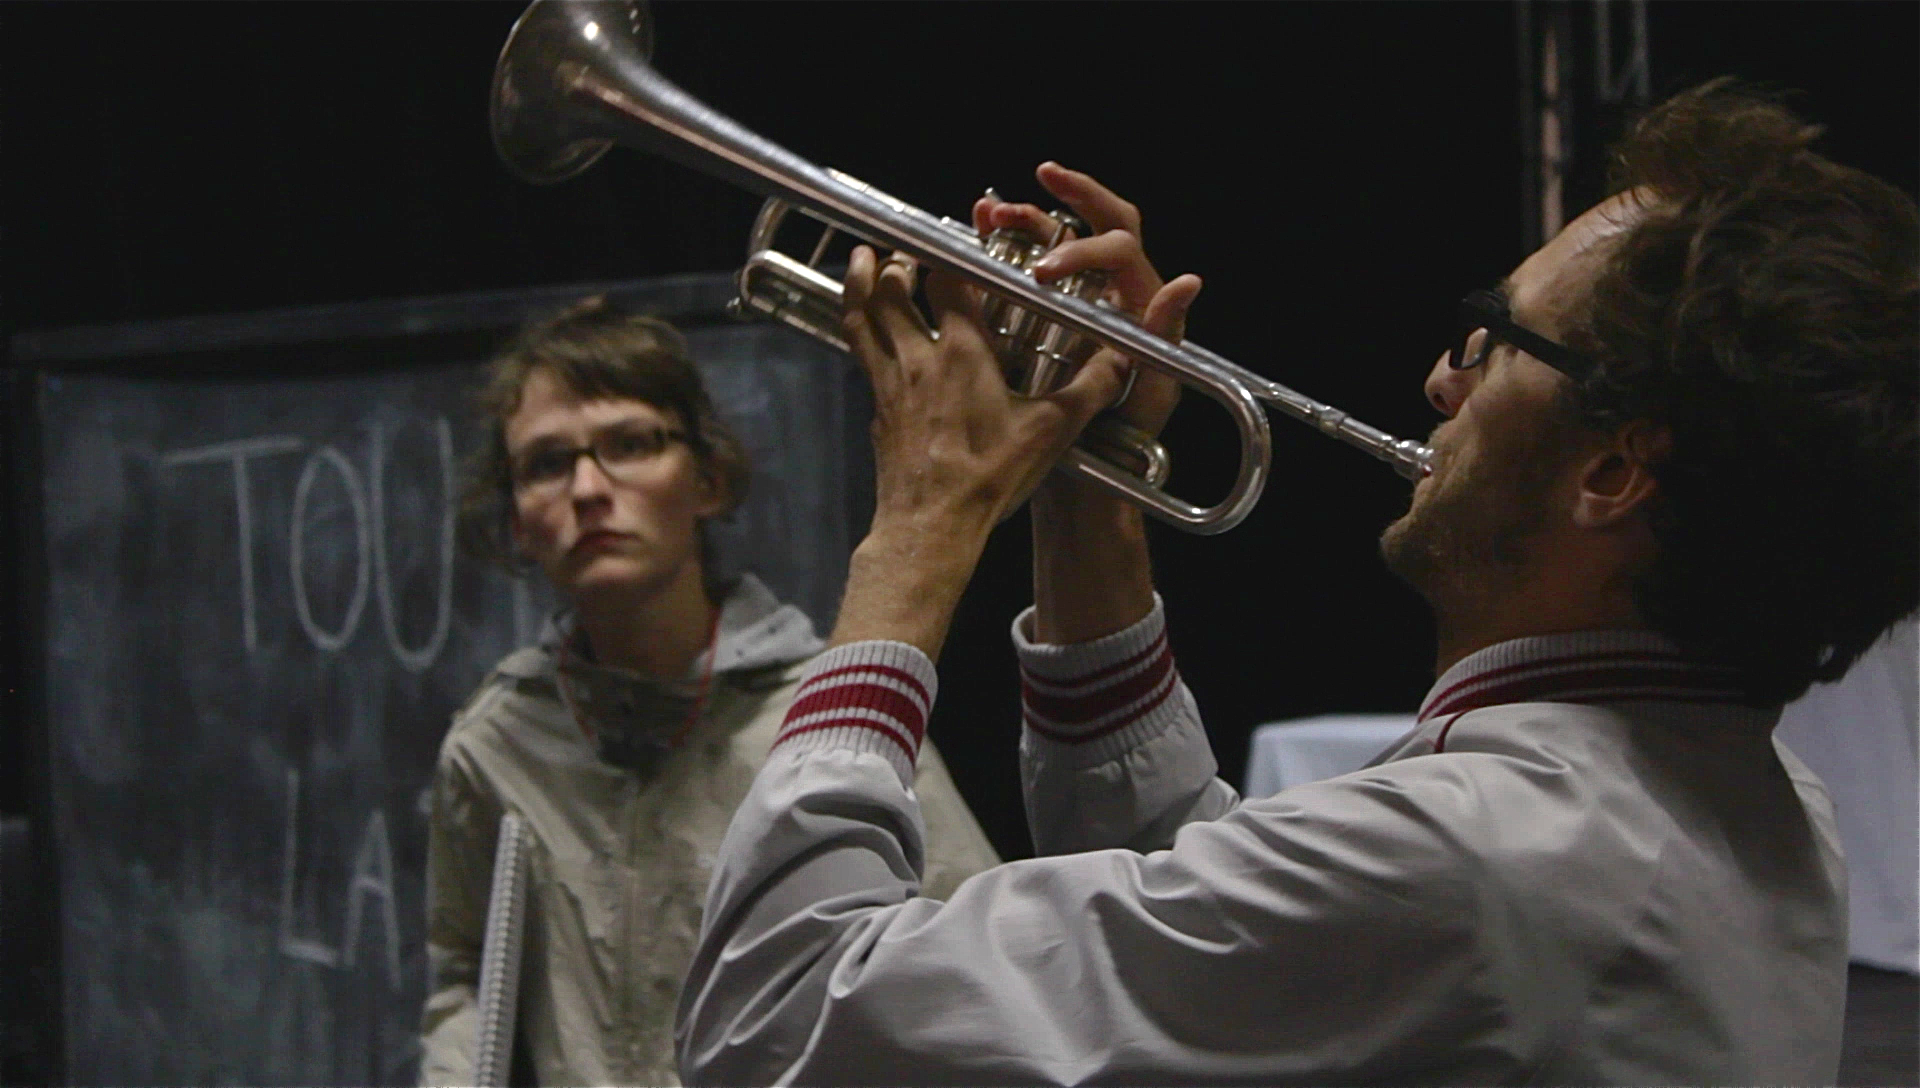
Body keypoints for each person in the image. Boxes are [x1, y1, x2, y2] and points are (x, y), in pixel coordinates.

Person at [674, 82, 1918, 1085]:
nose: (1442, 377)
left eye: (1496, 339)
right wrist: (1088, 482)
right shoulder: (1760, 801)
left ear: (1612, 469)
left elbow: (778, 1015)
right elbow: (1216, 924)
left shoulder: (1489, 855)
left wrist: (919, 527)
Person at [416, 299, 999, 1087]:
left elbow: (966, 956)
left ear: (708, 479)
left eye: (630, 444)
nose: (587, 488)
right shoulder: (496, 745)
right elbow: (465, 972)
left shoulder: (831, 724)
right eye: (547, 463)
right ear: (518, 521)